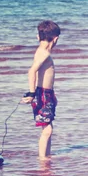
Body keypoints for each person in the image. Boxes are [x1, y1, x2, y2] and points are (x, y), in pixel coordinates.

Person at [21, 20, 60, 159]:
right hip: (42, 94)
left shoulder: (42, 52)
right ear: (56, 39)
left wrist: (51, 95)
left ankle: (47, 156)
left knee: (48, 128)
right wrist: (32, 93)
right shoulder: (43, 54)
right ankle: (42, 158)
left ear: (38, 37)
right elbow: (32, 71)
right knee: (47, 130)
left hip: (46, 94)